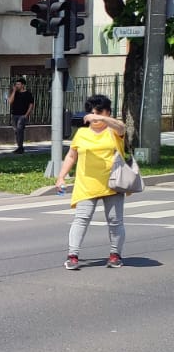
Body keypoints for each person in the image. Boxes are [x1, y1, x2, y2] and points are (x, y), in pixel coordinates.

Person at [54, 94, 127, 270]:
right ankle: (72, 255)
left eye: (99, 112)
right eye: (92, 112)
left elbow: (122, 127)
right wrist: (61, 176)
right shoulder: (82, 133)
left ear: (108, 112)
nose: (95, 116)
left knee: (115, 220)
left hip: (113, 183)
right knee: (81, 219)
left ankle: (115, 255)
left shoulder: (114, 131)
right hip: (86, 184)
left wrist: (102, 119)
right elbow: (71, 156)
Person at [8, 77, 36, 154]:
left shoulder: (28, 94)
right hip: (14, 115)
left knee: (20, 130)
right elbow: (10, 101)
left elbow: (31, 105)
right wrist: (14, 91)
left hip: (22, 115)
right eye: (16, 84)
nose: (17, 86)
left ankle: (20, 147)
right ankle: (19, 146)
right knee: (16, 131)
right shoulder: (15, 93)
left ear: (23, 85)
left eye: (18, 84)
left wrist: (26, 115)